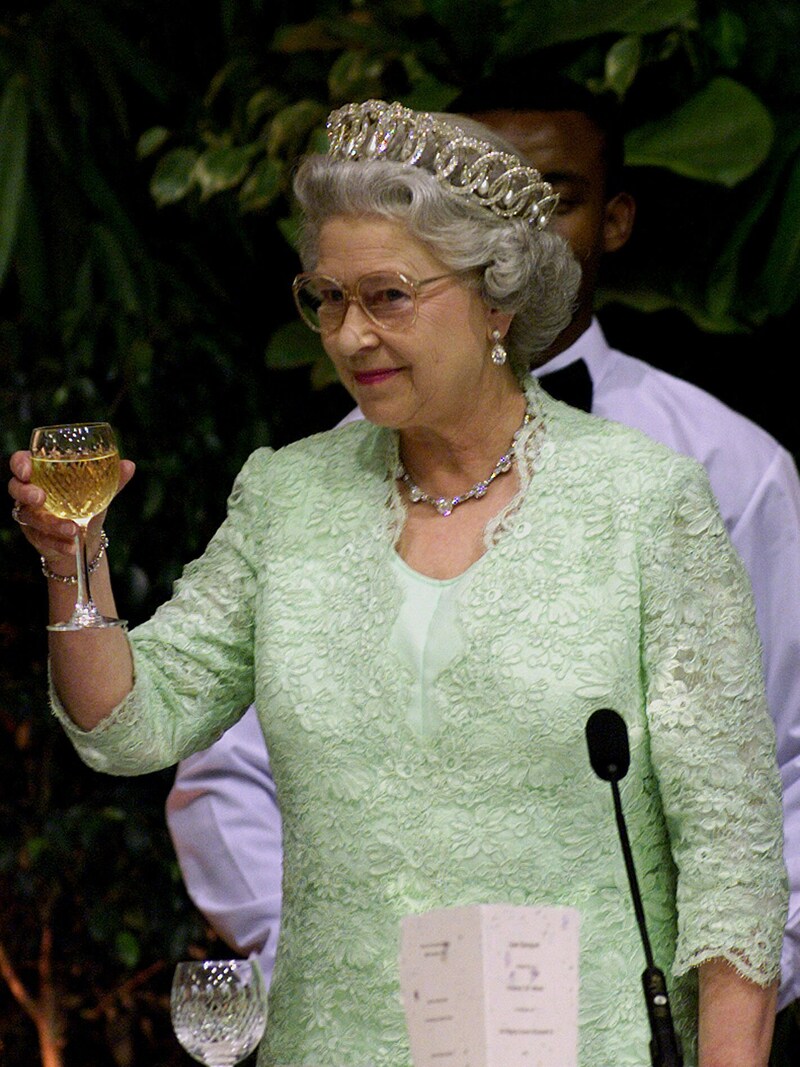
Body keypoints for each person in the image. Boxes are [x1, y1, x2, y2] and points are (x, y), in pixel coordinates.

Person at [10, 99, 787, 1067]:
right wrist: (70, 560)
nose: (348, 336)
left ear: (495, 296)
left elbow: (729, 851)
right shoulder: (286, 498)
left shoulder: (644, 501)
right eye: (326, 298)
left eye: (387, 297)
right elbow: (127, 723)